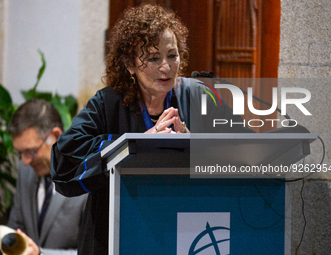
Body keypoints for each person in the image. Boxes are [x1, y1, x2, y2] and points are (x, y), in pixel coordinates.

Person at [51, 4, 254, 254]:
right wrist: (133, 143)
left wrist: (195, 144)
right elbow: (64, 159)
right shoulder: (108, 103)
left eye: (173, 55)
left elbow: (247, 151)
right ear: (129, 64)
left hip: (188, 229)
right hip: (117, 234)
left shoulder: (199, 96)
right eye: (153, 58)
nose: (166, 67)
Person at [7, 99, 87, 255]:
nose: (25, 161)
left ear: (55, 136)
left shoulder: (88, 178)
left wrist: (41, 254)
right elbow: (15, 228)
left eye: (31, 151)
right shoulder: (26, 172)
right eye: (21, 153)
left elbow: (93, 251)